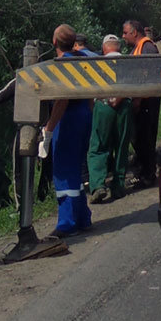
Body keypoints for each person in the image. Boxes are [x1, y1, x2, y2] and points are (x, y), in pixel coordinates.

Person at [41, 24, 93, 237]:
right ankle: (82, 217)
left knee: (63, 171)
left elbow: (62, 99)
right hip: (84, 115)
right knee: (75, 168)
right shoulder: (83, 60)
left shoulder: (63, 65)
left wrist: (49, 129)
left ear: (54, 43)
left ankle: (67, 223)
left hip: (68, 119)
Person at [86, 34, 131, 203]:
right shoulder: (128, 62)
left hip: (103, 105)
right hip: (124, 106)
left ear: (105, 48)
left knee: (98, 146)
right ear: (118, 47)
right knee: (121, 146)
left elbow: (91, 88)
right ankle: (118, 186)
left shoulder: (98, 63)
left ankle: (98, 185)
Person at [122, 19, 159, 189]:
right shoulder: (139, 48)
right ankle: (144, 172)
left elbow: (147, 76)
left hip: (146, 102)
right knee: (139, 139)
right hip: (142, 101)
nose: (123, 36)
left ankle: (148, 175)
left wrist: (137, 99)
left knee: (145, 139)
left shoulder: (147, 48)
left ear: (134, 33)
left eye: (125, 33)